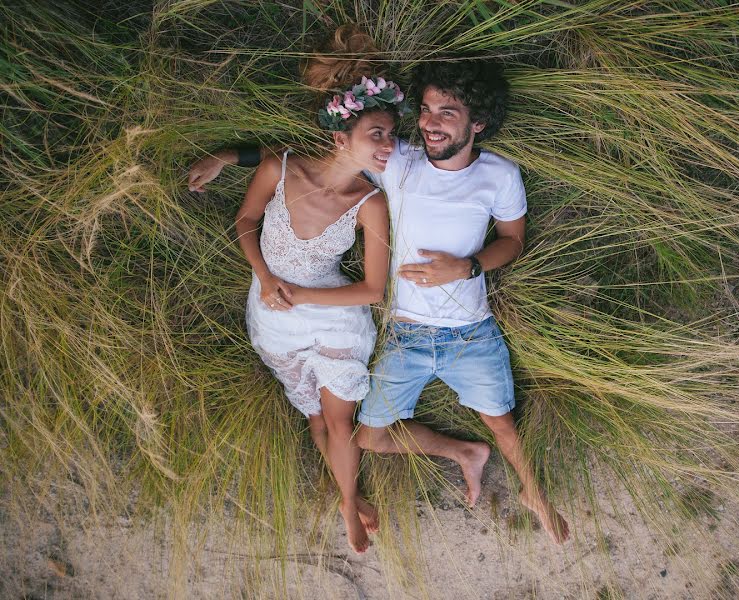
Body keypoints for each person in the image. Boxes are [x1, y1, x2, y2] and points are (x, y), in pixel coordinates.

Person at [189, 56, 569, 544]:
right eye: (426, 110)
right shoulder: (400, 161)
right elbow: (312, 158)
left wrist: (468, 265)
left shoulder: (500, 175)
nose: (429, 122)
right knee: (366, 436)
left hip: (470, 328)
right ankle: (462, 452)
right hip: (407, 332)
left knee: (503, 425)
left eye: (445, 113)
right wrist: (227, 157)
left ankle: (533, 494)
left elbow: (513, 240)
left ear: (478, 123)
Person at [205, 26, 406, 554]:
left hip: (331, 309)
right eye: (377, 134)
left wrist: (301, 291)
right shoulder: (281, 166)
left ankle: (347, 505)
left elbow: (371, 290)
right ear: (342, 138)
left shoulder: (371, 204)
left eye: (391, 135)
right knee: (314, 415)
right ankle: (350, 494)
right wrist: (267, 277)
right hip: (271, 309)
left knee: (338, 421)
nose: (389, 145)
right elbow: (246, 218)